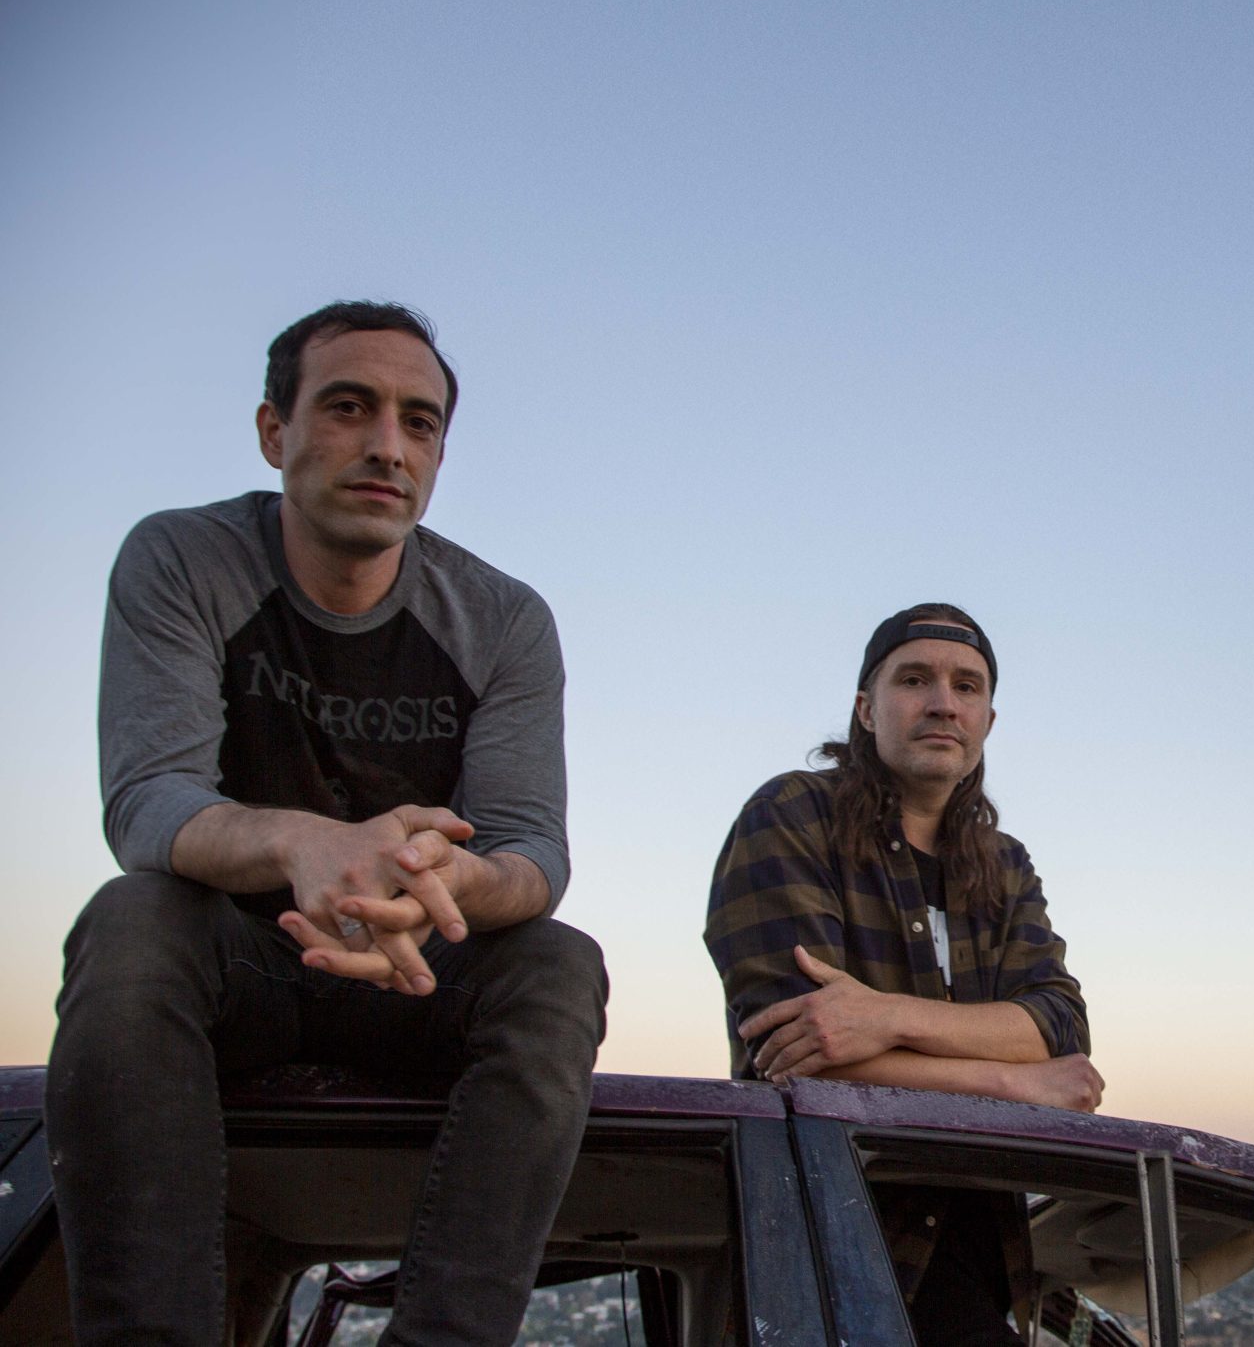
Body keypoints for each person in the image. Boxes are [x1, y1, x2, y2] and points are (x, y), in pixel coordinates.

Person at [46, 301, 608, 1345]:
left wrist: (444, 878)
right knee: (131, 921)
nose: (388, 445)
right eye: (349, 407)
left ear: (439, 454)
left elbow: (533, 849)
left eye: (419, 422)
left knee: (558, 965)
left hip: (415, 969)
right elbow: (149, 800)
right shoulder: (184, 558)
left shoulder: (504, 619)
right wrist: (305, 843)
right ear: (275, 431)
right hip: (236, 959)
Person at [706, 604, 1100, 1345]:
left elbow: (1059, 1025)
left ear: (987, 721)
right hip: (828, 1248)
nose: (943, 703)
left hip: (982, 1244)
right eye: (915, 680)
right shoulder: (793, 815)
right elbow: (799, 1051)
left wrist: (887, 1017)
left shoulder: (1005, 866)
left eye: (967, 686)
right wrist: (1014, 1081)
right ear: (866, 709)